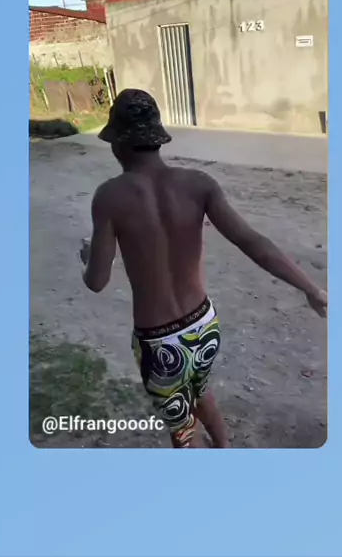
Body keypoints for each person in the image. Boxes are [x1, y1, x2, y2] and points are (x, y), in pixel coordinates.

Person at [80, 89, 327, 449]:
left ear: (118, 143)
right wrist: (311, 288)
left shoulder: (109, 197)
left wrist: (89, 257)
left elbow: (97, 281)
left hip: (160, 342)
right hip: (204, 326)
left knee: (182, 429)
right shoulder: (198, 184)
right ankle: (224, 446)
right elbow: (252, 241)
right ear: (157, 139)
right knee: (200, 387)